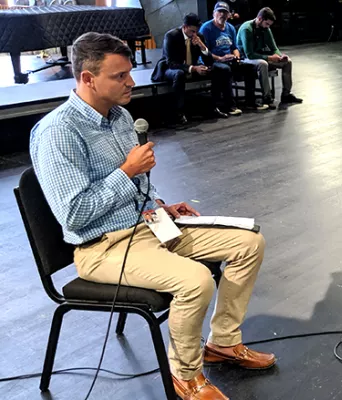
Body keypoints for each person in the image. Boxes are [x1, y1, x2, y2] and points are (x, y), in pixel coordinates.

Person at [29, 32, 274, 400]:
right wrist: (126, 172)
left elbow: (140, 185)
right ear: (87, 79)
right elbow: (75, 214)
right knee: (196, 281)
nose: (131, 81)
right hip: (101, 248)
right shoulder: (57, 133)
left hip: (148, 226)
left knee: (248, 243)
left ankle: (222, 341)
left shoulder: (121, 116)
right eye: (120, 76)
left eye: (129, 72)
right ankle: (185, 374)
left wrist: (159, 204)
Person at [151, 13, 232, 123]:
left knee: (220, 70)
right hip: (170, 68)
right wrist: (193, 68)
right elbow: (171, 63)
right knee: (179, 74)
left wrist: (202, 46)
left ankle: (214, 106)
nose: (194, 34)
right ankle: (179, 112)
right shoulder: (171, 36)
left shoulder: (199, 37)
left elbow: (209, 61)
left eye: (196, 31)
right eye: (192, 31)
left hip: (191, 67)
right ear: (185, 27)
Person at [200, 1, 267, 111]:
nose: (222, 15)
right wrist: (220, 58)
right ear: (214, 13)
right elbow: (205, 52)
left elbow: (235, 47)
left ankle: (250, 101)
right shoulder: (206, 28)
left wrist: (236, 56)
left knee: (250, 68)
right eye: (220, 12)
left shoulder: (230, 28)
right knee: (225, 70)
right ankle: (229, 105)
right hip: (213, 61)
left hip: (229, 59)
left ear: (229, 15)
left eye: (225, 12)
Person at [238, 7, 303, 108]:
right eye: (267, 24)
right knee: (263, 64)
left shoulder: (266, 28)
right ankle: (267, 97)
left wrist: (281, 56)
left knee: (288, 62)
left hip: (260, 55)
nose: (268, 26)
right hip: (245, 59)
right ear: (260, 19)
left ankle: (286, 94)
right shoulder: (247, 29)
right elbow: (249, 54)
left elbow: (273, 47)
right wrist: (269, 58)